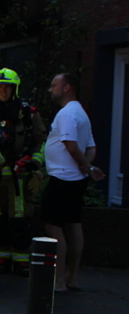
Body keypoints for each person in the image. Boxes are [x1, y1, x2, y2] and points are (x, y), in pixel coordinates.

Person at [42, 73, 105, 292]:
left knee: (53, 226)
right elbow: (91, 147)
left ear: (67, 88)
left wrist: (84, 167)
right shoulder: (82, 113)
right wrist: (85, 168)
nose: (51, 89)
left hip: (62, 179)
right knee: (73, 225)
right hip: (75, 180)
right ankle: (71, 277)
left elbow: (70, 145)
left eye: (54, 85)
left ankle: (58, 281)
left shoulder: (67, 113)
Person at [0, 68, 47, 276]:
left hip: (19, 177)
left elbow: (40, 142)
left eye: (7, 87)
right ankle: (2, 258)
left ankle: (21, 261)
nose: (3, 91)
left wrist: (33, 165)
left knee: (20, 219)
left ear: (15, 89)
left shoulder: (28, 113)